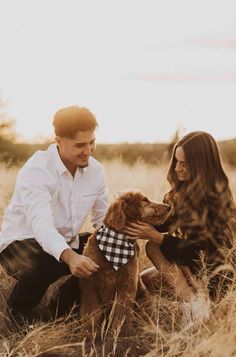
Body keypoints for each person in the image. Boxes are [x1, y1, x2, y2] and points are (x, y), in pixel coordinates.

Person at [0, 105, 109, 321]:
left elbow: (103, 220)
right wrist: (71, 258)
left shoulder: (95, 171)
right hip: (19, 247)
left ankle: (61, 305)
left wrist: (116, 240)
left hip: (65, 243)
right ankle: (17, 315)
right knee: (45, 260)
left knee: (105, 247)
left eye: (92, 142)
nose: (88, 150)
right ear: (58, 140)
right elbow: (43, 229)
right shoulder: (37, 170)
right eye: (80, 145)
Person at [124, 131, 236, 327]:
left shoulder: (216, 199)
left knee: (153, 246)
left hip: (214, 274)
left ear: (201, 165)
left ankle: (194, 307)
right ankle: (193, 301)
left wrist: (156, 237)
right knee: (144, 282)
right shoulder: (181, 192)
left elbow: (207, 251)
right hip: (188, 266)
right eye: (176, 161)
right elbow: (166, 223)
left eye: (184, 164)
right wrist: (136, 214)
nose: (177, 168)